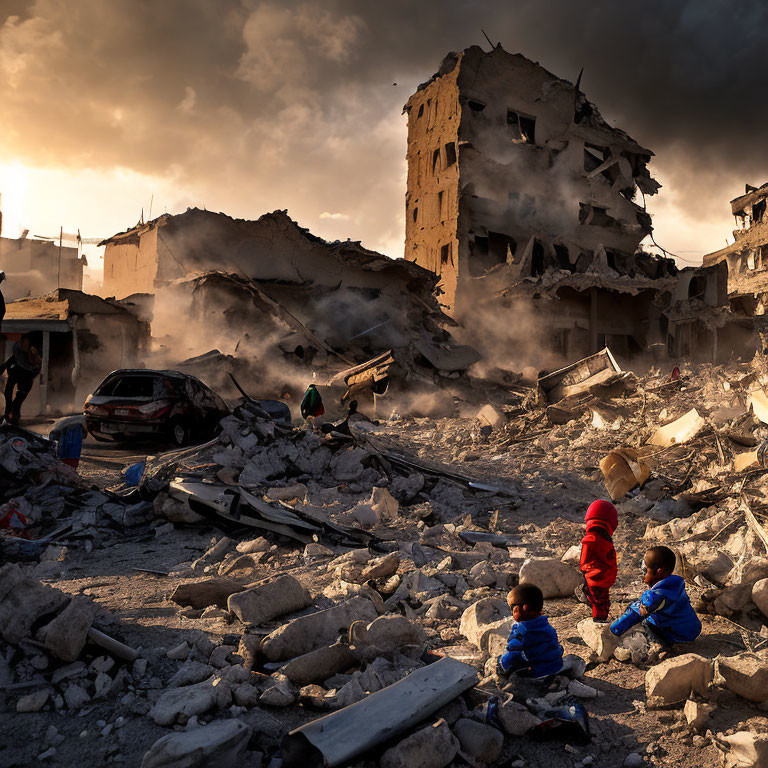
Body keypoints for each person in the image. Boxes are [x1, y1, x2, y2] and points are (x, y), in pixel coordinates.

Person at [610, 545, 701, 648]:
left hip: (677, 635)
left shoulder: (655, 597)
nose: (643, 574)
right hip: (693, 629)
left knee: (642, 624)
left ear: (659, 571)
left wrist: (613, 631)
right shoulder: (676, 583)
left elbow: (635, 614)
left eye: (645, 571)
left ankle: (660, 647)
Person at [496, 583, 564, 678]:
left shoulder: (521, 631)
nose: (511, 612)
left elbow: (513, 653)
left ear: (525, 607)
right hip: (555, 666)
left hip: (537, 673)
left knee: (505, 660)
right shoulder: (546, 625)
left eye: (512, 608)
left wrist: (502, 663)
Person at [577, 499, 618, 622]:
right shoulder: (593, 540)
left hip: (598, 577)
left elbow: (584, 561)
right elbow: (585, 561)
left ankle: (599, 618)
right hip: (597, 578)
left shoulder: (594, 539)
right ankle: (598, 621)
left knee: (601, 601)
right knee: (600, 602)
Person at [1, 336, 42, 425]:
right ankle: (9, 415)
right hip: (16, 371)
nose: (24, 345)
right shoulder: (18, 353)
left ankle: (13, 416)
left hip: (27, 376)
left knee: (18, 399)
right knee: (8, 392)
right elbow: (9, 362)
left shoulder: (33, 354)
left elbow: (36, 368)